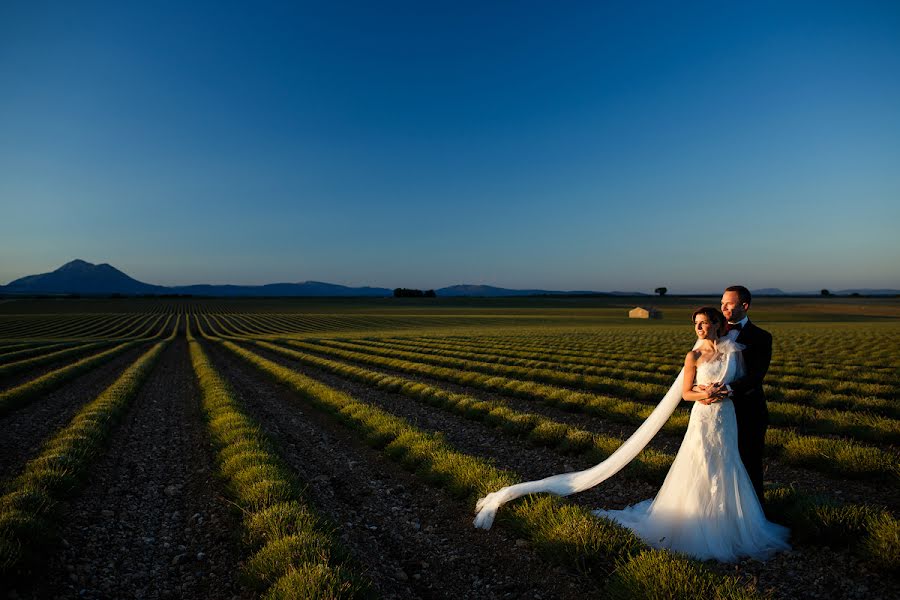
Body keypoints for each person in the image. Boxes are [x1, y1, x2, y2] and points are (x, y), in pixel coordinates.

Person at [472, 305, 790, 563]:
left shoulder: (734, 351)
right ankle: (699, 520)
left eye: (706, 323)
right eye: (697, 324)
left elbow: (743, 382)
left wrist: (724, 392)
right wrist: (705, 395)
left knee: (728, 464)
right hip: (703, 415)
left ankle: (730, 521)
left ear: (719, 324)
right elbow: (686, 393)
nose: (700, 329)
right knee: (701, 462)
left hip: (726, 416)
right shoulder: (692, 357)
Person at [714, 285, 771, 504]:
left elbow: (756, 376)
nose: (723, 307)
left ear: (744, 306)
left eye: (728, 303)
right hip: (718, 412)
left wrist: (727, 390)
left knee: (750, 463)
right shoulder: (715, 332)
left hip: (749, 411)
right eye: (721, 303)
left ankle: (755, 512)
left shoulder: (762, 337)